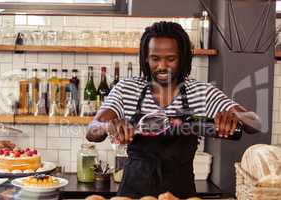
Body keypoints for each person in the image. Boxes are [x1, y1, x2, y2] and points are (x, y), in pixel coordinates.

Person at [86, 21, 261, 198]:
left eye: (170, 59)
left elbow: (255, 122)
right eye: (155, 58)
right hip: (132, 195)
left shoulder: (201, 92)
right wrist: (108, 126)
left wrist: (234, 118)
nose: (162, 66)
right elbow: (92, 129)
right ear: (146, 58)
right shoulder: (127, 88)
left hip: (181, 195)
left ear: (183, 58)